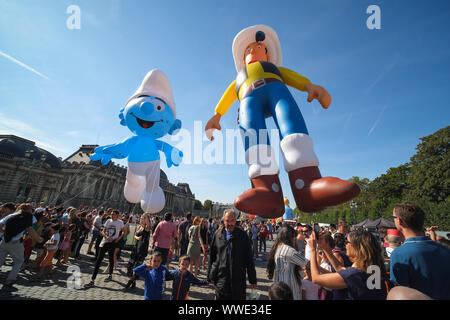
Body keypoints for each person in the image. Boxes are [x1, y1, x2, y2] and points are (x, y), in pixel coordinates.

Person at [205, 25, 359, 218]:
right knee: (253, 136)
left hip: (277, 90)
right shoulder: (239, 79)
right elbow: (228, 96)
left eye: (257, 48)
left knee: (291, 123)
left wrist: (309, 86)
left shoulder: (275, 70)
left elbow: (291, 76)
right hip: (248, 99)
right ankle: (267, 190)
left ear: (268, 53)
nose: (252, 51)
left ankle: (307, 184)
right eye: (248, 50)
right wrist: (217, 115)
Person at [390, 202, 450, 299]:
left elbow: (400, 292)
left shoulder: (399, 254)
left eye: (393, 218)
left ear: (399, 221)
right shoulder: (445, 250)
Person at [308, 228, 387, 300]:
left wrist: (312, 249)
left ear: (357, 247)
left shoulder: (354, 275)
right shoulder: (373, 269)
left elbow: (316, 278)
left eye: (347, 241)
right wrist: (326, 249)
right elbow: (340, 269)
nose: (345, 244)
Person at [208, 209, 257, 300]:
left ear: (236, 220)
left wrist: (252, 279)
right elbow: (212, 256)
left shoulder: (242, 235)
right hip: (221, 280)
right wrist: (209, 276)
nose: (230, 223)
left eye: (232, 220)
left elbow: (249, 258)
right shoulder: (217, 235)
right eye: (227, 220)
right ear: (223, 220)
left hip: (238, 280)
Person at [0, 203, 42, 287]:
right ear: (29, 210)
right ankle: (10, 279)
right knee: (18, 261)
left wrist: (4, 232)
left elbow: (0, 224)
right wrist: (38, 238)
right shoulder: (29, 216)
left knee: (0, 259)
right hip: (16, 242)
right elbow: (30, 229)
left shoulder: (12, 215)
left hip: (4, 241)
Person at [84, 210, 126, 288]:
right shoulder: (108, 221)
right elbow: (103, 231)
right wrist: (106, 236)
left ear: (117, 215)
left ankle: (110, 275)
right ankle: (92, 280)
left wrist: (118, 238)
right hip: (105, 242)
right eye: (112, 214)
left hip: (113, 243)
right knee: (99, 260)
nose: (112, 215)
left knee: (111, 259)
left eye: (114, 214)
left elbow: (124, 231)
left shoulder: (120, 222)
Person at [266, 225, 307, 300]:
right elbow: (306, 263)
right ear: (291, 237)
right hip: (289, 286)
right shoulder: (289, 250)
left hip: (279, 284)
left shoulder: (277, 247)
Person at [125, 213, 152, 289]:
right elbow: (135, 236)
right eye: (141, 218)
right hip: (136, 248)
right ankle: (133, 280)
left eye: (143, 219)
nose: (142, 220)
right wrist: (137, 238)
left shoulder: (147, 228)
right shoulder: (139, 226)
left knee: (138, 267)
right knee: (130, 265)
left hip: (142, 249)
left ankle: (131, 281)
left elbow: (148, 225)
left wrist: (146, 216)